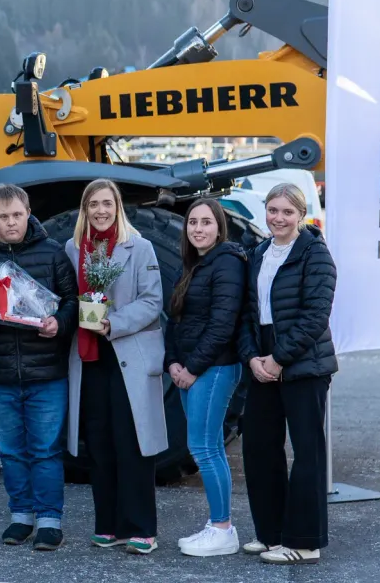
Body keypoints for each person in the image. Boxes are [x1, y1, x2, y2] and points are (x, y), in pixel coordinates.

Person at [0, 184, 77, 551]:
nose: (11, 222)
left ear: (28, 214)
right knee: (10, 450)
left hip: (46, 373)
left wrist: (61, 324)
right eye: (3, 216)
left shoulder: (54, 255)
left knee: (45, 450)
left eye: (17, 215)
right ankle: (21, 516)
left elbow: (71, 301)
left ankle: (50, 520)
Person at [64, 178, 166, 555]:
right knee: (100, 444)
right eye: (94, 204)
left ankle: (141, 528)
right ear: (85, 210)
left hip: (128, 356)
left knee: (133, 442)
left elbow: (152, 301)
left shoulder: (140, 248)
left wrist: (113, 323)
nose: (101, 211)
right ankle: (107, 524)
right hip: (89, 359)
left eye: (107, 203)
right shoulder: (73, 249)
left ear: (118, 207)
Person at [238, 183, 338, 565]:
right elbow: (248, 314)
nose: (278, 218)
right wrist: (252, 359)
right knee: (260, 447)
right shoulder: (259, 252)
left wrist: (278, 359)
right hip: (263, 360)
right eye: (273, 210)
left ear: (300, 215)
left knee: (307, 452)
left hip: (304, 364)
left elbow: (315, 317)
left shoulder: (316, 255)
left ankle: (304, 542)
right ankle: (271, 534)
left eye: (287, 212)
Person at [164, 198, 246, 557]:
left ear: (219, 227)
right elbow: (177, 320)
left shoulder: (227, 262)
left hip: (213, 369)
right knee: (207, 446)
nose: (198, 228)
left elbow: (222, 325)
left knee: (204, 448)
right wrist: (172, 364)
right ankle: (218, 525)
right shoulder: (196, 264)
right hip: (191, 369)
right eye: (192, 222)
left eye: (206, 222)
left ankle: (223, 529)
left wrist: (192, 368)